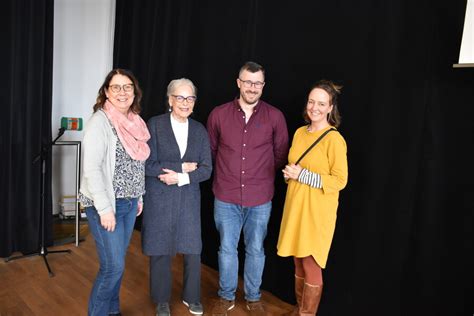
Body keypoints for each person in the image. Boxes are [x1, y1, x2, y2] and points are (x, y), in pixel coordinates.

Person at [207, 61, 289, 316]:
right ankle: (225, 297)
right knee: (227, 249)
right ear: (238, 83)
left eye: (257, 83)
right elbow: (210, 151)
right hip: (226, 195)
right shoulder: (218, 114)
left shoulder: (275, 116)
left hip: (260, 197)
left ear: (263, 86)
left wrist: (259, 175)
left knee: (255, 249)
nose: (252, 87)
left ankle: (253, 298)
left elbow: (280, 154)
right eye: (247, 82)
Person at [79, 68, 151, 316]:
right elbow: (92, 169)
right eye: (116, 87)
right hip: (106, 205)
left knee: (117, 265)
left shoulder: (136, 122)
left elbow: (135, 163)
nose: (122, 92)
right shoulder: (100, 122)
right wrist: (104, 209)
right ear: (107, 93)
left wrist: (138, 196)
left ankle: (112, 311)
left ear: (134, 91)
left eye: (127, 86)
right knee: (112, 267)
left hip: (130, 203)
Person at [141, 78, 212, 316]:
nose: (185, 102)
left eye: (190, 98)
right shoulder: (155, 125)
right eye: (180, 97)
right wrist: (181, 167)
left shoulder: (200, 130)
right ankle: (161, 299)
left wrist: (181, 178)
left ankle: (192, 298)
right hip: (160, 198)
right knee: (160, 249)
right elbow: (147, 164)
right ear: (170, 100)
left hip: (188, 199)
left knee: (192, 249)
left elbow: (206, 169)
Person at [277, 80, 348, 315]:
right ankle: (300, 309)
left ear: (330, 108)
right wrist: (290, 174)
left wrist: (303, 175)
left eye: (321, 103)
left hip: (317, 212)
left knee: (310, 262)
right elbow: (295, 166)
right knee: (298, 259)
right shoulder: (299, 133)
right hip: (295, 206)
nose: (314, 107)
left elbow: (340, 180)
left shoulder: (334, 139)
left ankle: (307, 314)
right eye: (311, 101)